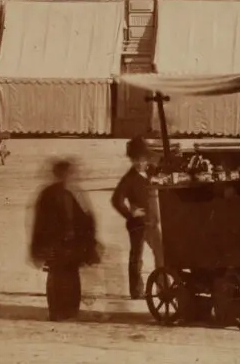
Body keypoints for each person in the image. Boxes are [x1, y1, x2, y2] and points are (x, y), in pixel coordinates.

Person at [29, 158, 99, 322]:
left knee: (69, 276)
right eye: (65, 175)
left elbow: (84, 219)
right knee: (59, 276)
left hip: (69, 244)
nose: (67, 178)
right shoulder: (50, 195)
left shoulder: (68, 194)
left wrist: (88, 241)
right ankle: (59, 311)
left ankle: (68, 310)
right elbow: (41, 223)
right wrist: (39, 247)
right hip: (57, 244)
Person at [110, 138, 154, 300]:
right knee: (137, 257)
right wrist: (130, 214)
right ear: (131, 159)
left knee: (160, 253)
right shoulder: (129, 179)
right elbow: (116, 199)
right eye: (136, 160)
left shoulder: (153, 172)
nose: (140, 163)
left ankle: (163, 284)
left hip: (155, 221)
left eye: (143, 159)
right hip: (138, 223)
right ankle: (136, 291)